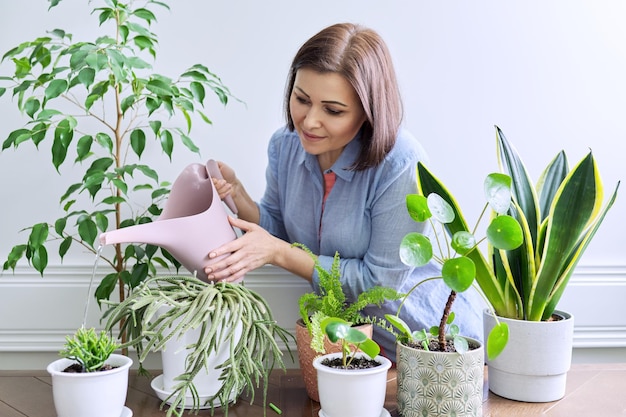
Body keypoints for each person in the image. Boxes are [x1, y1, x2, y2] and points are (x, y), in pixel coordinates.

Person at [204, 22, 484, 362]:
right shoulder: (285, 146)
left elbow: (379, 286)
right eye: (301, 99)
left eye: (333, 110)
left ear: (369, 112)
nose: (309, 122)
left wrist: (279, 254)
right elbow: (278, 229)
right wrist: (238, 195)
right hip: (352, 346)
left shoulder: (401, 164)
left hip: (429, 347)